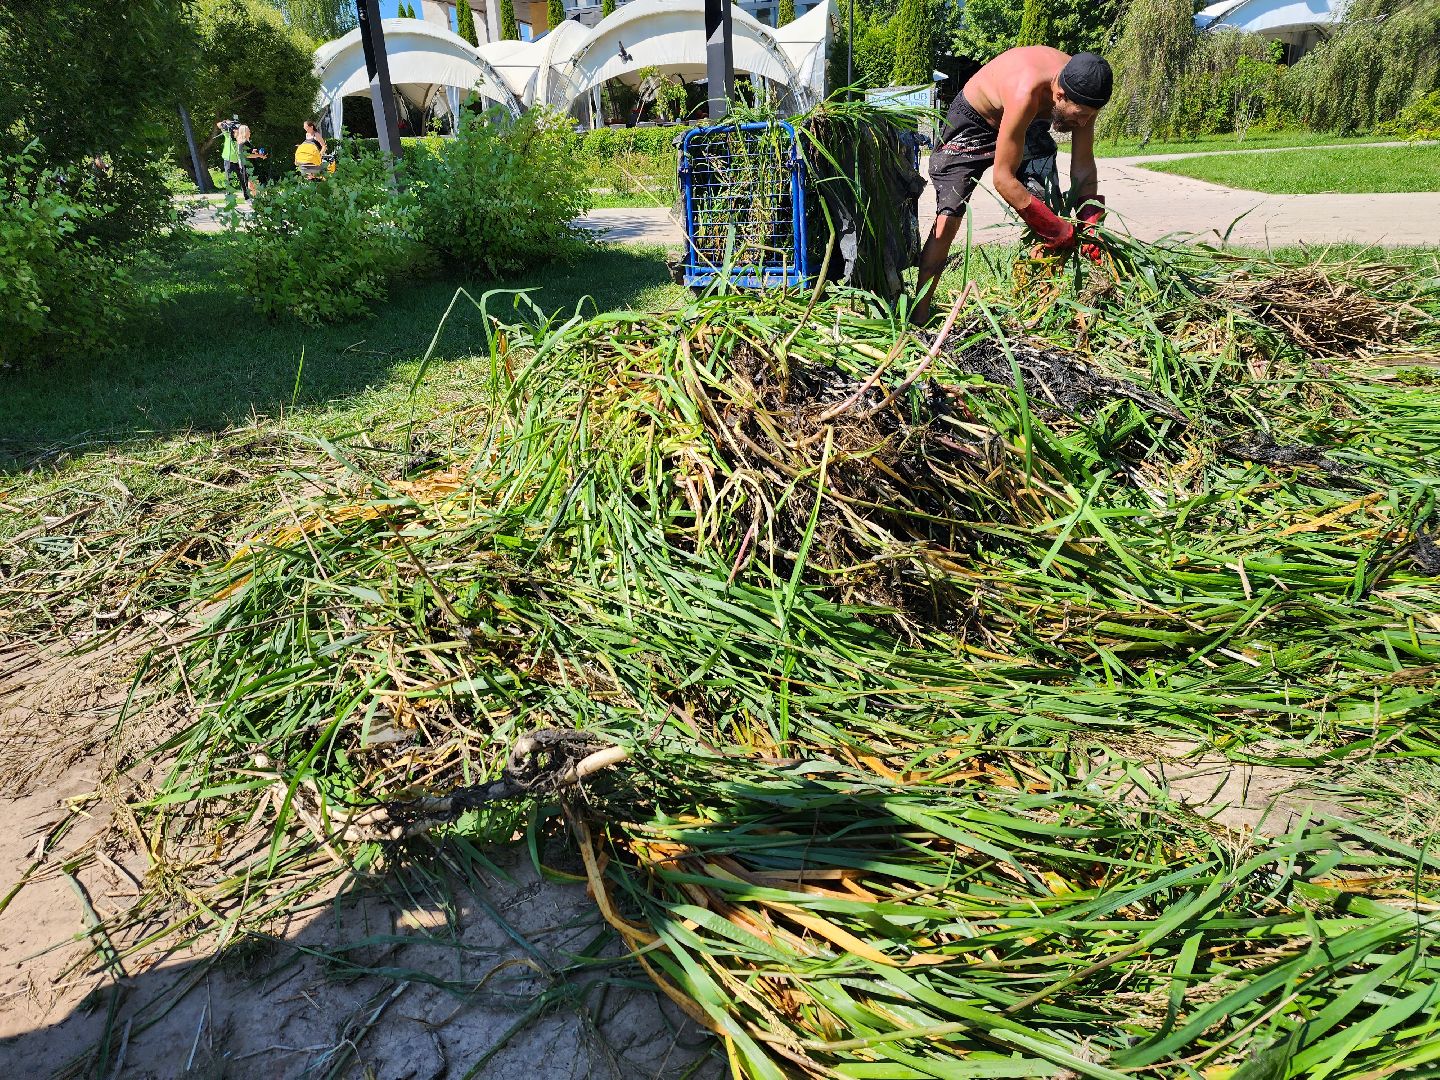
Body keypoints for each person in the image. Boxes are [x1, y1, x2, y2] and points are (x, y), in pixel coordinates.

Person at [913, 48, 1114, 324]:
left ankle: (1045, 307)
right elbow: (1003, 179)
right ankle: (918, 314)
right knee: (948, 217)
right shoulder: (1026, 90)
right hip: (974, 121)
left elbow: (1083, 168)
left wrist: (1091, 223)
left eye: (1089, 117)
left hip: (1026, 125)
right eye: (1079, 115)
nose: (1083, 123)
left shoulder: (1084, 89)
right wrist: (1052, 227)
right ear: (1059, 95)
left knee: (1048, 202)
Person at [217, 116, 253, 198]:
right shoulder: (228, 135)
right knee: (229, 179)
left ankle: (246, 196)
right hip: (228, 159)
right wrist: (226, 123)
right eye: (235, 130)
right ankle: (229, 196)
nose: (235, 131)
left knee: (242, 179)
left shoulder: (241, 138)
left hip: (237, 161)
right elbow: (219, 124)